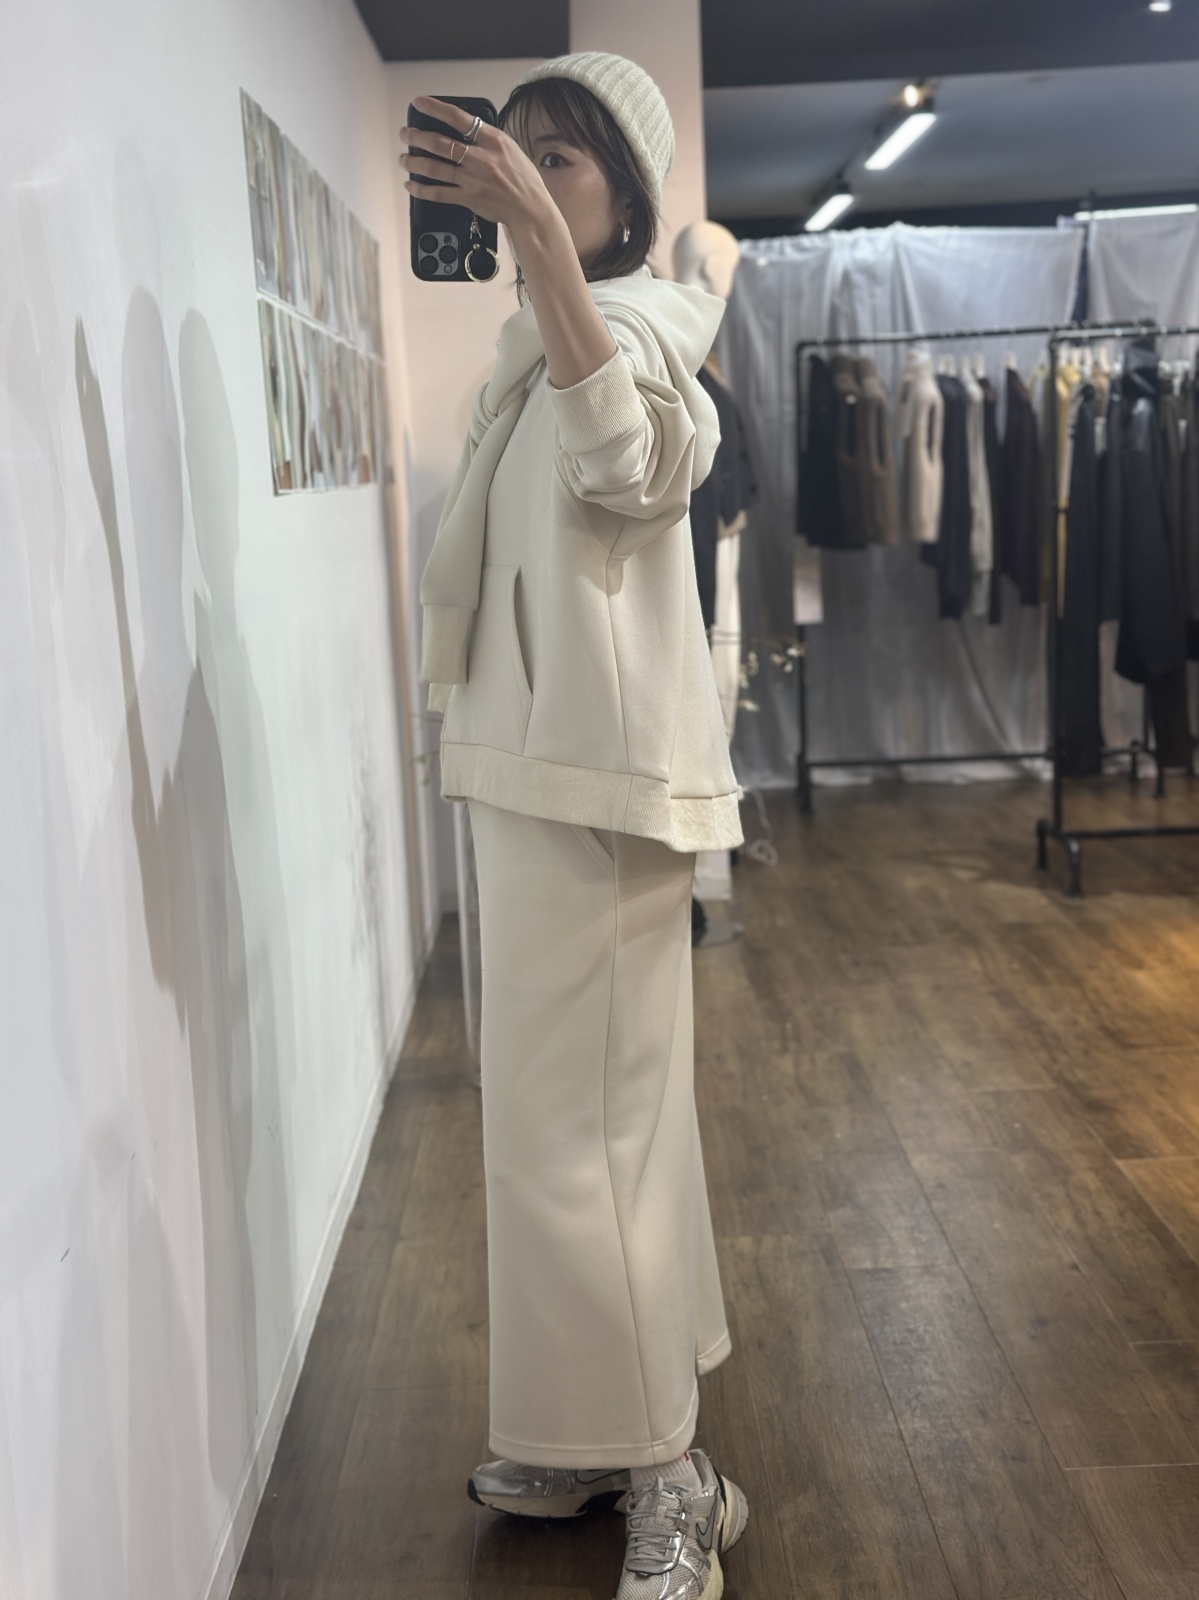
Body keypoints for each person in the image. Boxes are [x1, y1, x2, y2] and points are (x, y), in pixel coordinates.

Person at [401, 51, 747, 1600]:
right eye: (517, 153)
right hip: (523, 769)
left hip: (602, 787)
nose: (531, 177)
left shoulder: (655, 330)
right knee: (554, 1133)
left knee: (601, 1138)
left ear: (626, 197)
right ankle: (589, 1429)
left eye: (565, 161)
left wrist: (539, 242)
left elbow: (631, 466)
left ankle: (676, 1473)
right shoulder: (520, 345)